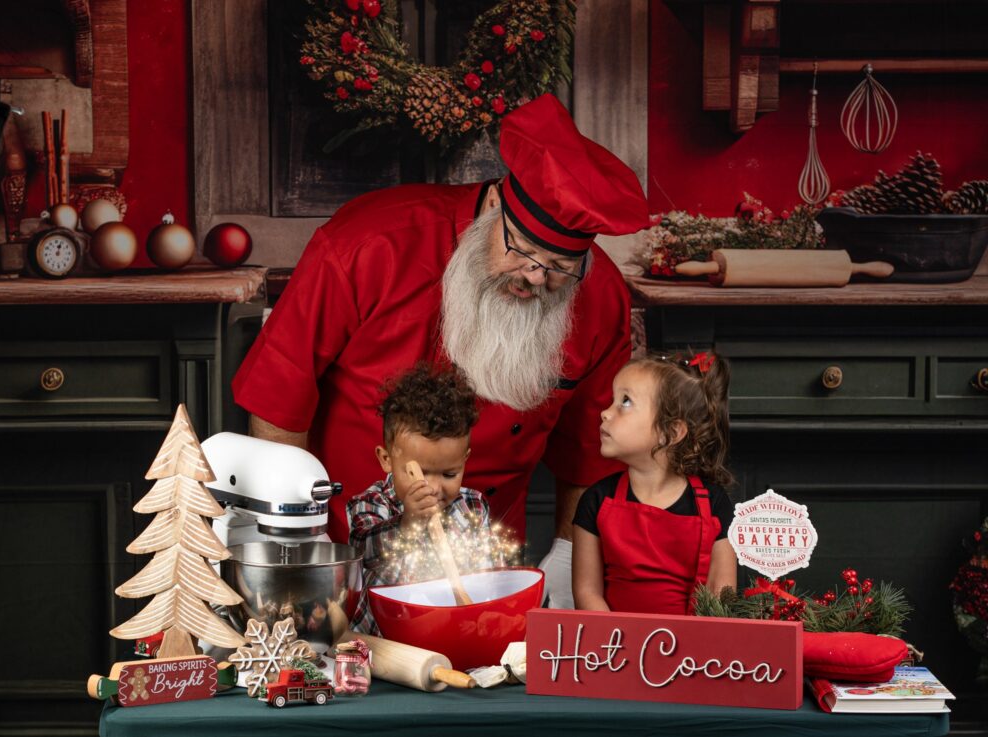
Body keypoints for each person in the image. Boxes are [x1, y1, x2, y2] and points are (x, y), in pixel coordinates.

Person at [232, 93, 651, 608]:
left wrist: (568, 554)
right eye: (521, 250)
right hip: (348, 555)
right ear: (496, 203)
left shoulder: (601, 297)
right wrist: (301, 545)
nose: (536, 277)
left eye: (560, 267)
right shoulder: (367, 245)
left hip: (489, 572)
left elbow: (592, 451)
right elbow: (278, 398)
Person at [572, 353, 738, 615]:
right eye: (613, 400)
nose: (605, 412)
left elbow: (721, 593)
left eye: (625, 402)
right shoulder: (596, 500)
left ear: (670, 432)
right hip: (614, 647)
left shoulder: (713, 503)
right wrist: (617, 640)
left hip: (691, 650)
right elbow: (586, 592)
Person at [346, 364, 491, 634]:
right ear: (386, 459)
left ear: (465, 460)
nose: (435, 488)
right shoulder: (369, 504)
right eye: (421, 473)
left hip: (446, 632)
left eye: (450, 473)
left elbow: (486, 573)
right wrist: (409, 522)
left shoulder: (473, 506)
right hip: (381, 641)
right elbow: (362, 551)